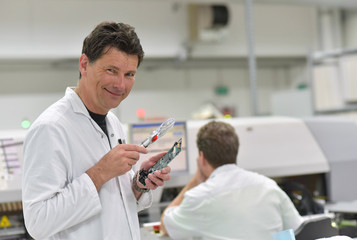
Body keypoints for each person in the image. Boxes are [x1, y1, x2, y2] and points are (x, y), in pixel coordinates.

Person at [22, 21, 171, 240]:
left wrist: (139, 184)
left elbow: (113, 205)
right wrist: (100, 172)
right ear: (84, 64)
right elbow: (37, 222)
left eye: (129, 74)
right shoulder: (51, 128)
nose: (121, 84)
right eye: (112, 70)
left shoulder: (113, 123)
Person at [160, 121, 303, 240]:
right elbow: (298, 228)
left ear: (202, 158)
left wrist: (194, 182)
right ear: (235, 151)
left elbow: (165, 226)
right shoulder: (269, 186)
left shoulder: (199, 197)